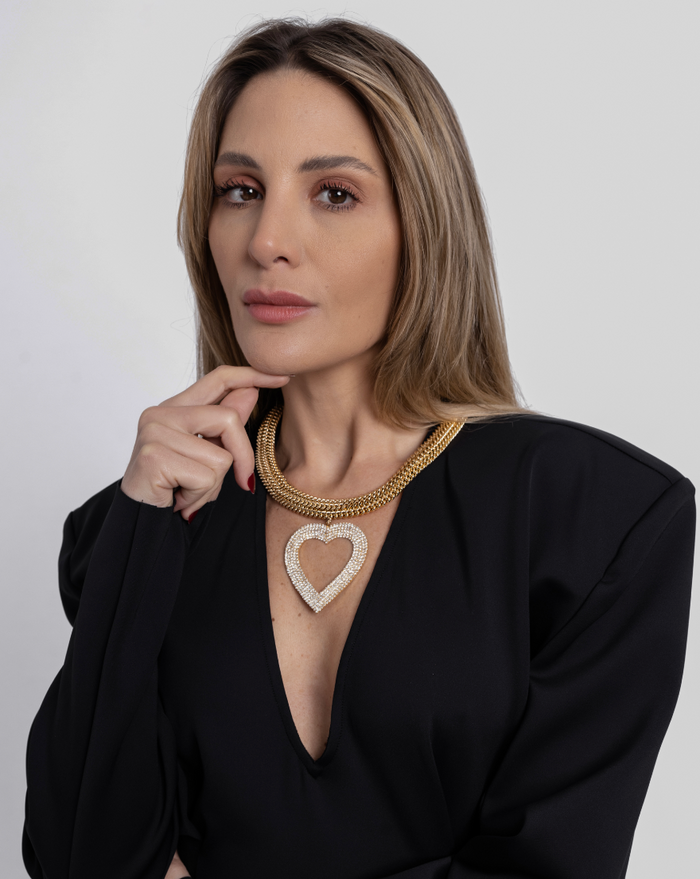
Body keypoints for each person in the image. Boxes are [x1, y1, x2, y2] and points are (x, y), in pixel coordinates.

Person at [22, 16, 695, 879]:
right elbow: (79, 856)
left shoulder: (594, 521)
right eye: (240, 190)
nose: (267, 241)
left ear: (424, 223)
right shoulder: (136, 531)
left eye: (334, 193)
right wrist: (139, 527)